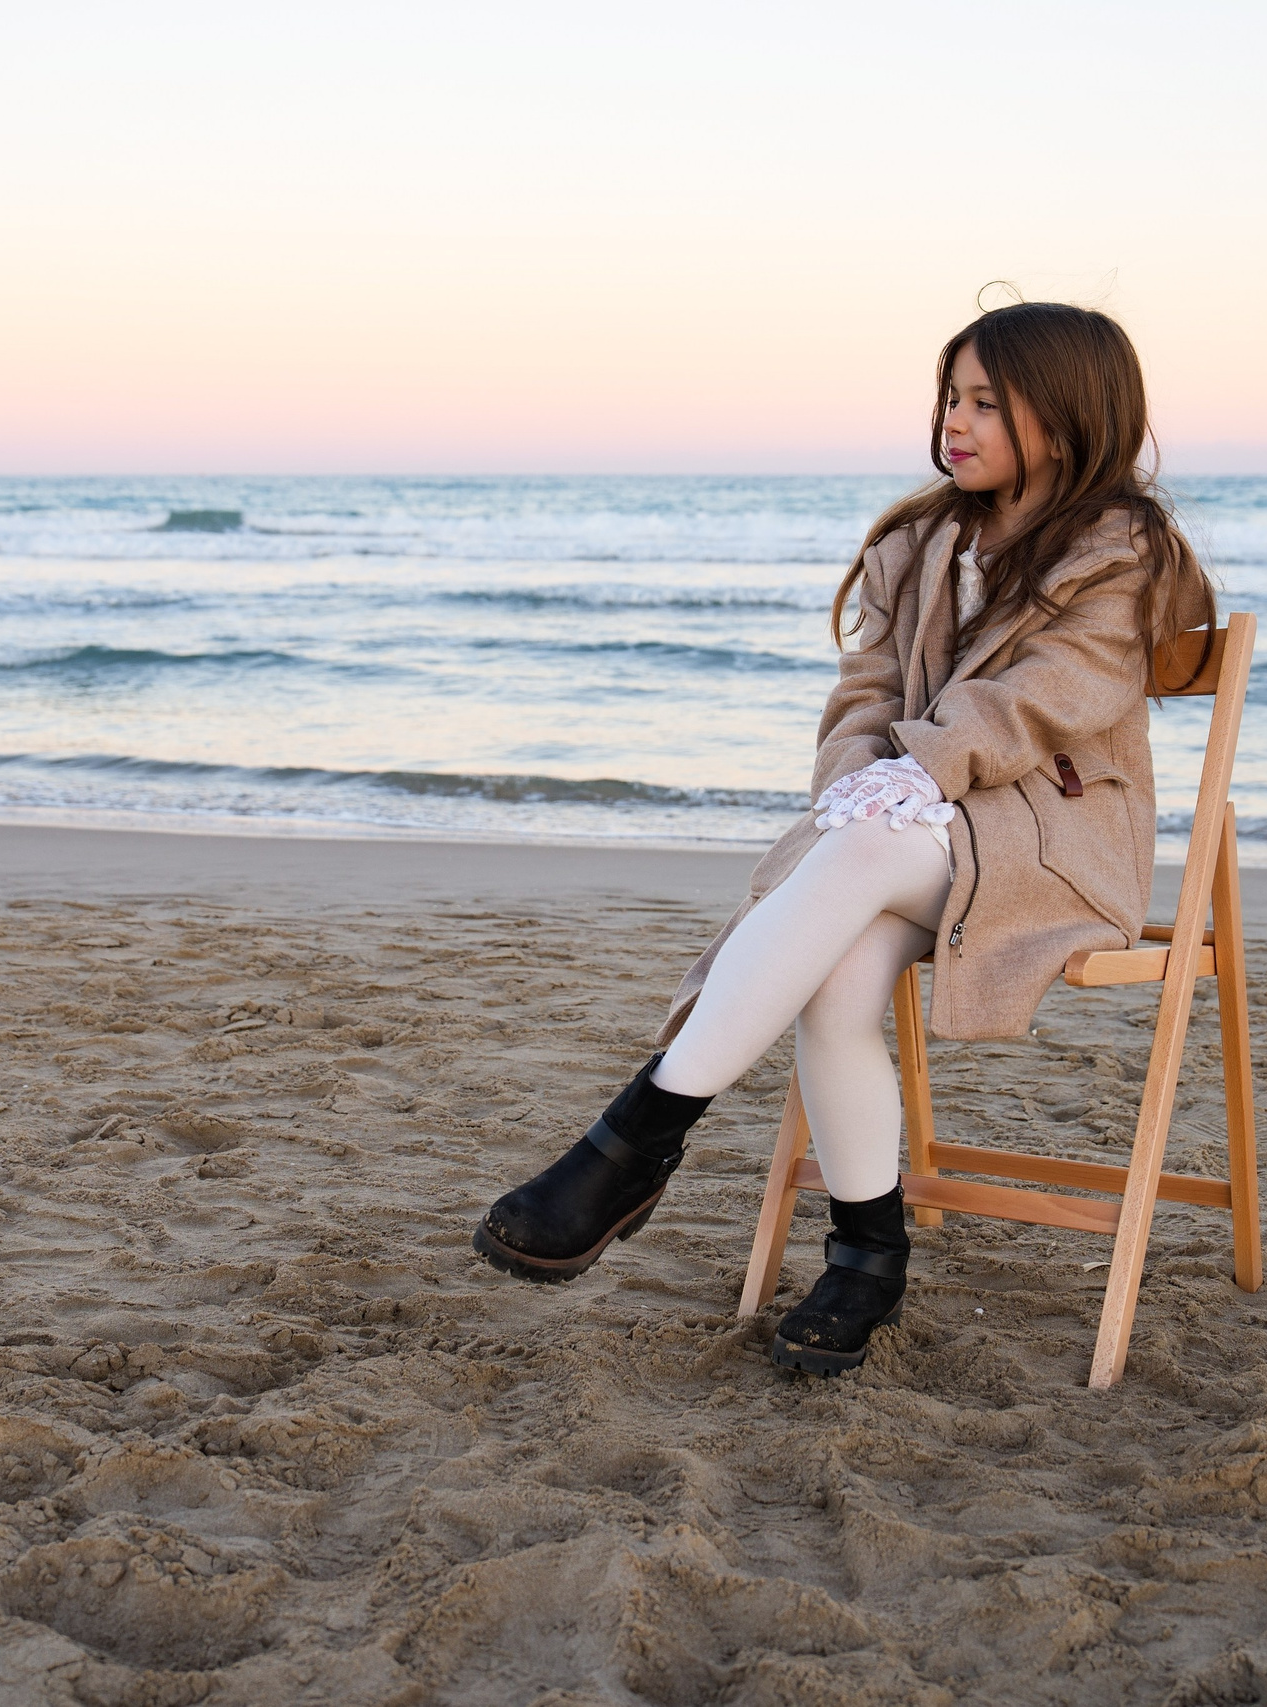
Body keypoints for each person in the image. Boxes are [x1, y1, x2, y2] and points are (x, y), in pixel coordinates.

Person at [473, 300, 1217, 1374]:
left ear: (1067, 417)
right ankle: (866, 1256)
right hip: (908, 831)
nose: (955, 423)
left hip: (1045, 846)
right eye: (950, 398)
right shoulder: (919, 540)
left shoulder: (1123, 551)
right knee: (834, 972)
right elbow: (862, 691)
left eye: (987, 405)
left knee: (857, 859)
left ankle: (637, 1138)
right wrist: (861, 780)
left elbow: (1050, 697)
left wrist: (920, 775)